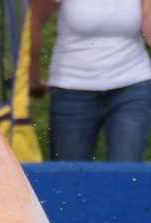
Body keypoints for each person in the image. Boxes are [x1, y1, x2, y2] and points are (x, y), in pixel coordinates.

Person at [30, 0, 151, 161]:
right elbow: (33, 22)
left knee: (127, 173)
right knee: (70, 175)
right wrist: (32, 77)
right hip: (72, 88)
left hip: (132, 85)